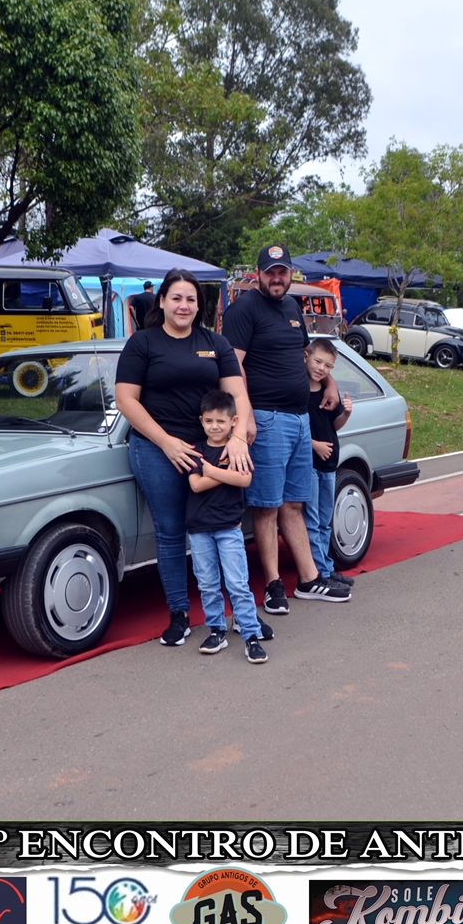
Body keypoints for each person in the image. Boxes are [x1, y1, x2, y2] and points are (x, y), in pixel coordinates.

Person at [115, 269, 253, 646]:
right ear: (161, 301)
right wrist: (166, 442)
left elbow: (238, 395)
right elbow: (126, 399)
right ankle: (179, 613)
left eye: (191, 299)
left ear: (198, 305)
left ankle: (242, 616)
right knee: (171, 530)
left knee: (225, 527)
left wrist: (237, 438)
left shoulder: (215, 342)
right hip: (157, 449)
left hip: (211, 448)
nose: (183, 305)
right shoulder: (142, 343)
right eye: (176, 297)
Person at [223, 243, 350, 613]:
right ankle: (273, 585)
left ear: (291, 273)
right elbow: (233, 366)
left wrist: (330, 383)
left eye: (283, 272)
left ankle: (309, 579)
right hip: (267, 418)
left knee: (294, 503)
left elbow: (305, 354)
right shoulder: (243, 309)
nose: (277, 278)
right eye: (270, 272)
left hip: (299, 418)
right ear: (258, 274)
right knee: (267, 506)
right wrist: (246, 415)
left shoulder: (293, 307)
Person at [186, 389, 274, 664]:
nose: (214, 426)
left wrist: (212, 471)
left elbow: (244, 480)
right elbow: (196, 484)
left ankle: (251, 635)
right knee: (207, 583)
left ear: (234, 421)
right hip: (199, 529)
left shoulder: (236, 449)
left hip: (229, 528)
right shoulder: (196, 450)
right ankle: (217, 631)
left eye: (221, 421)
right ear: (201, 421)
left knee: (237, 583)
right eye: (209, 421)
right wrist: (227, 473)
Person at [303, 339, 355, 589]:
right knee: (312, 520)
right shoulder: (299, 390)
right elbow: (295, 428)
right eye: (318, 361)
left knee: (325, 520)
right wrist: (314, 444)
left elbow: (334, 424)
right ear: (306, 357)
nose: (321, 368)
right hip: (310, 463)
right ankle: (317, 572)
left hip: (329, 465)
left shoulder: (328, 392)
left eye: (328, 366)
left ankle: (326, 567)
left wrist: (346, 413)